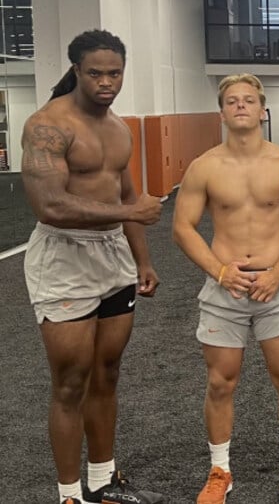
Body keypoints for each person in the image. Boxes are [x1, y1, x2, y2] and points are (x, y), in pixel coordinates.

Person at [20, 29, 165, 504]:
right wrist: (130, 215)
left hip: (114, 259)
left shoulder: (120, 128)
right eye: (96, 73)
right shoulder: (48, 125)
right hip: (64, 255)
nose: (107, 82)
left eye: (115, 73)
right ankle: (69, 495)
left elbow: (127, 196)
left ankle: (102, 483)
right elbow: (50, 206)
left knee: (107, 373)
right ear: (77, 71)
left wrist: (142, 258)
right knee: (70, 382)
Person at [172, 74, 279, 504]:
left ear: (263, 110)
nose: (241, 106)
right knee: (221, 382)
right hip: (225, 291)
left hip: (278, 288)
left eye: (249, 100)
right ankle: (219, 470)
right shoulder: (204, 167)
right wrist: (220, 271)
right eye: (232, 101)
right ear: (221, 112)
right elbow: (183, 228)